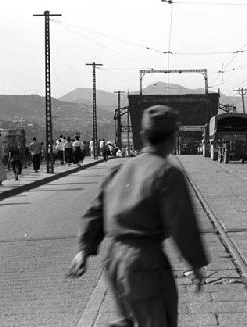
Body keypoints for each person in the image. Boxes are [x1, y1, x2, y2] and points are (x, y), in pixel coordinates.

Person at [67, 105, 208, 327]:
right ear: (173, 138)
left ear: (143, 136)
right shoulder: (167, 173)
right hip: (145, 262)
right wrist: (195, 264)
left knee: (131, 319)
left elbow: (96, 211)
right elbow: (182, 224)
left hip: (114, 261)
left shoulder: (120, 170)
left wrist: (84, 250)